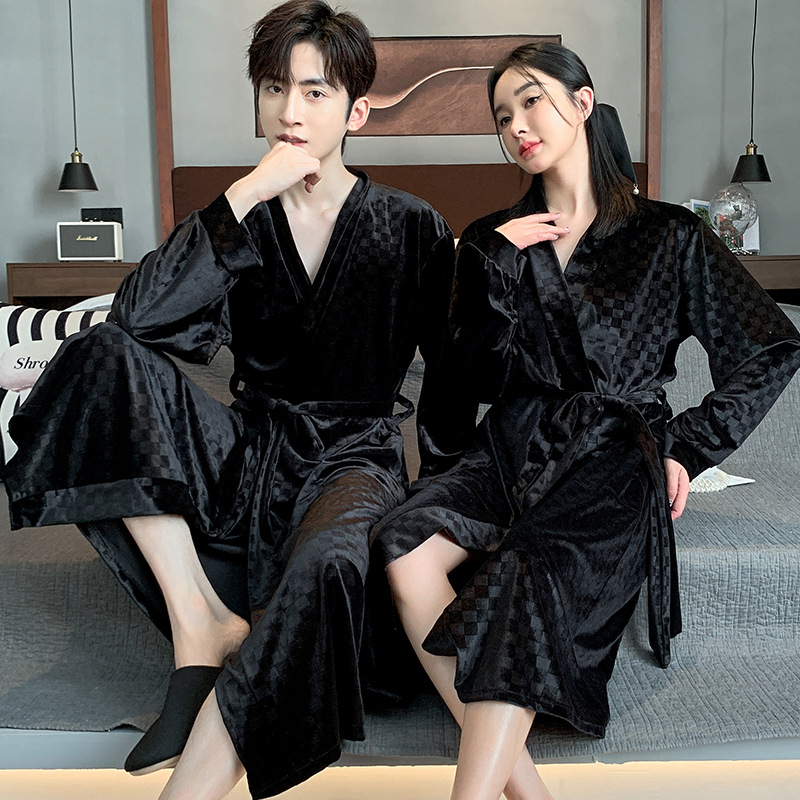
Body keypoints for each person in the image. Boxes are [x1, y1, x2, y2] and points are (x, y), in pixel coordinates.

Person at [3, 1, 456, 798]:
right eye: (275, 89)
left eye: (314, 92)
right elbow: (137, 321)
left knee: (328, 560)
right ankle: (199, 623)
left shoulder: (412, 225)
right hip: (248, 449)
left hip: (355, 457)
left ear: (356, 111)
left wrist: (452, 500)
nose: (290, 112)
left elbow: (456, 375)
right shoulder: (236, 216)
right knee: (99, 352)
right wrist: (243, 195)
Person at [372, 41, 800, 800]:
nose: (516, 126)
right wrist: (491, 271)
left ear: (582, 102)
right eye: (501, 116)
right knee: (403, 547)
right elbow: (464, 380)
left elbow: (771, 347)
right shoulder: (489, 240)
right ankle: (526, 789)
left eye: (531, 101)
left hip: (611, 453)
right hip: (510, 445)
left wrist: (687, 447)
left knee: (524, 568)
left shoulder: (670, 235)